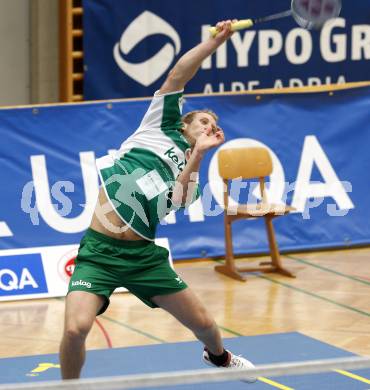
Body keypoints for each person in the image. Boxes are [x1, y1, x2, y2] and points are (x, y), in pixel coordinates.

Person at [59, 20, 256, 382]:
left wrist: (198, 154)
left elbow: (177, 198)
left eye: (215, 126)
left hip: (144, 258)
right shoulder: (158, 125)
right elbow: (178, 75)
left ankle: (220, 358)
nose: (210, 127)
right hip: (100, 253)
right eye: (203, 121)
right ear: (183, 124)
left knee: (206, 326)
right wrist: (215, 42)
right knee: (75, 329)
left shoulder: (194, 177)